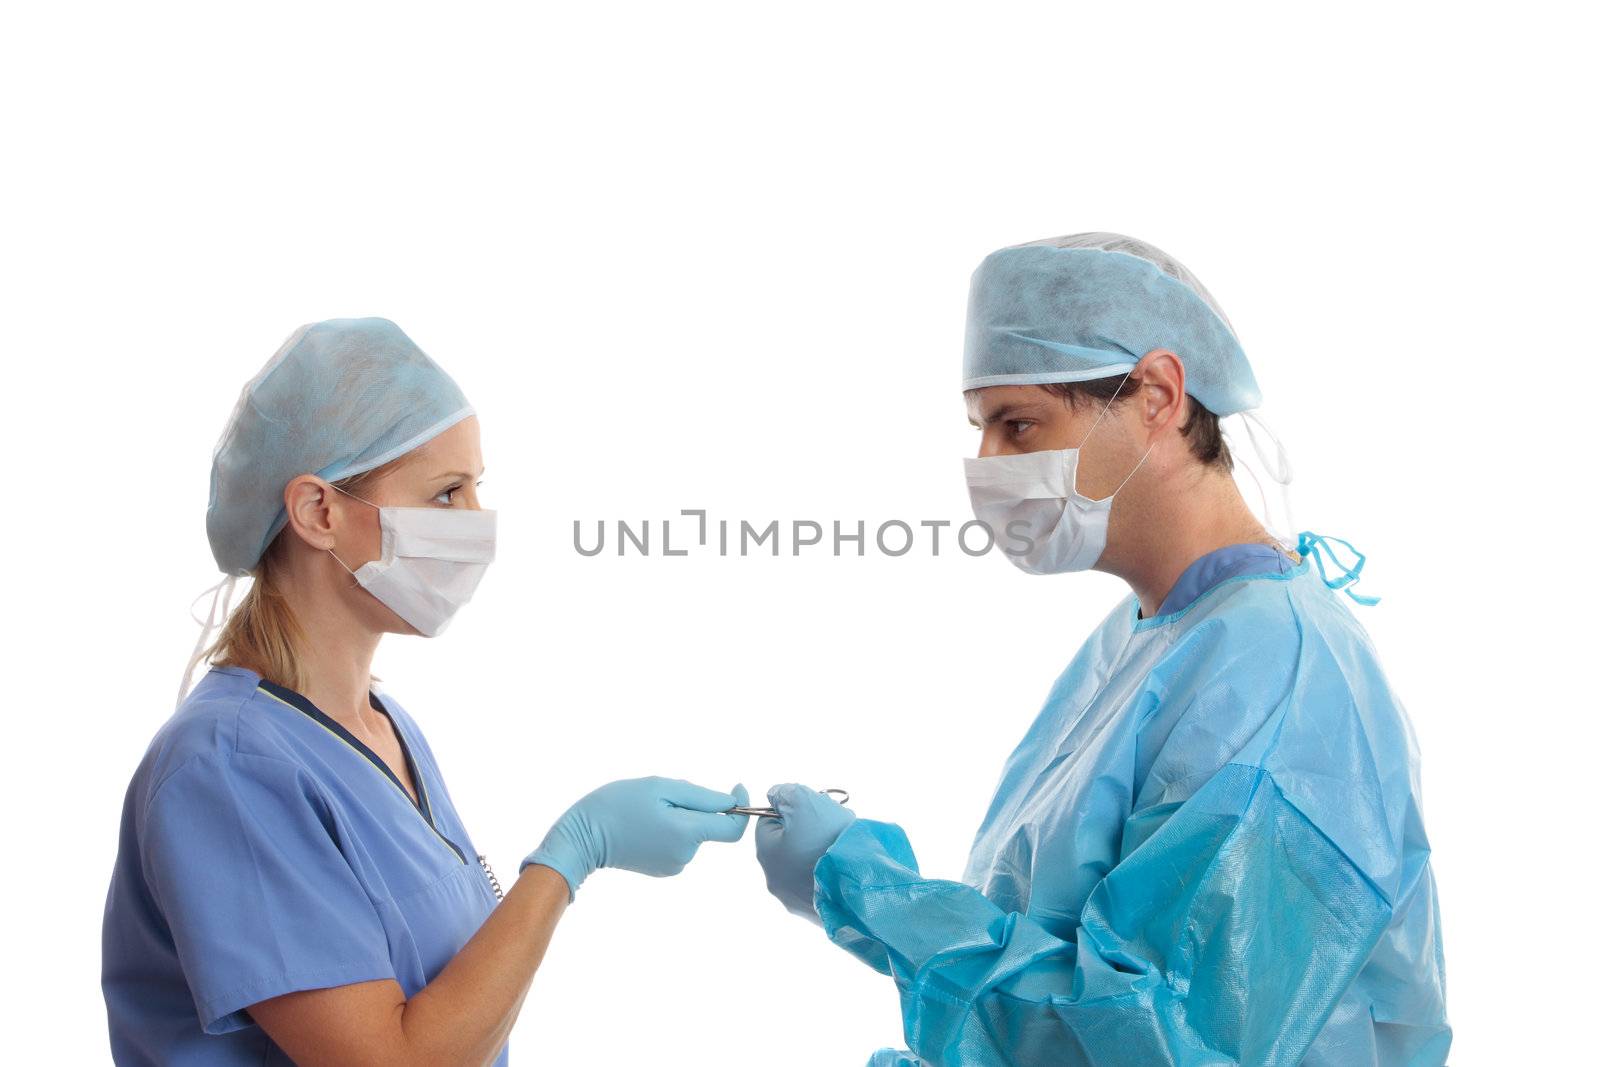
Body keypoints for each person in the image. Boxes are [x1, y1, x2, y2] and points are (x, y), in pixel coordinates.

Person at [754, 234, 1450, 1066]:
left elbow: (1155, 1041)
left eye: (1019, 424)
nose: (988, 463)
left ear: (1156, 393)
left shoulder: (1276, 679)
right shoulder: (1145, 639)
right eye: (980, 428)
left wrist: (869, 890)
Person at [101, 318, 749, 1065]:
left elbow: (457, 1008)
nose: (477, 524)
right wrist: (574, 852)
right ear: (319, 512)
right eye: (446, 494)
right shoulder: (226, 765)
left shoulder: (382, 727)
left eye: (477, 488)